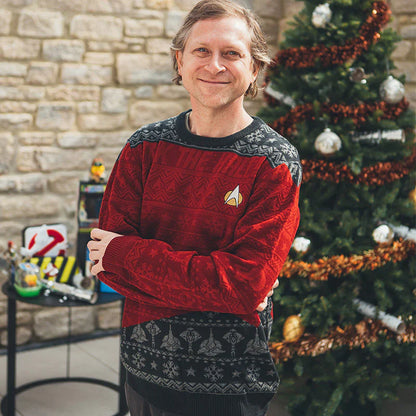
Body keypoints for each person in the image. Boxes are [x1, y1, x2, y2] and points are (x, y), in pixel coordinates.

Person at [87, 1, 302, 415]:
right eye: (201, 50)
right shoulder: (144, 147)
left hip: (229, 384)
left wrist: (128, 256)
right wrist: (225, 289)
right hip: (144, 370)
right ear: (179, 61)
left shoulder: (274, 161)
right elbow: (105, 263)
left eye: (232, 53)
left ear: (254, 68)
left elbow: (245, 284)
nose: (214, 65)